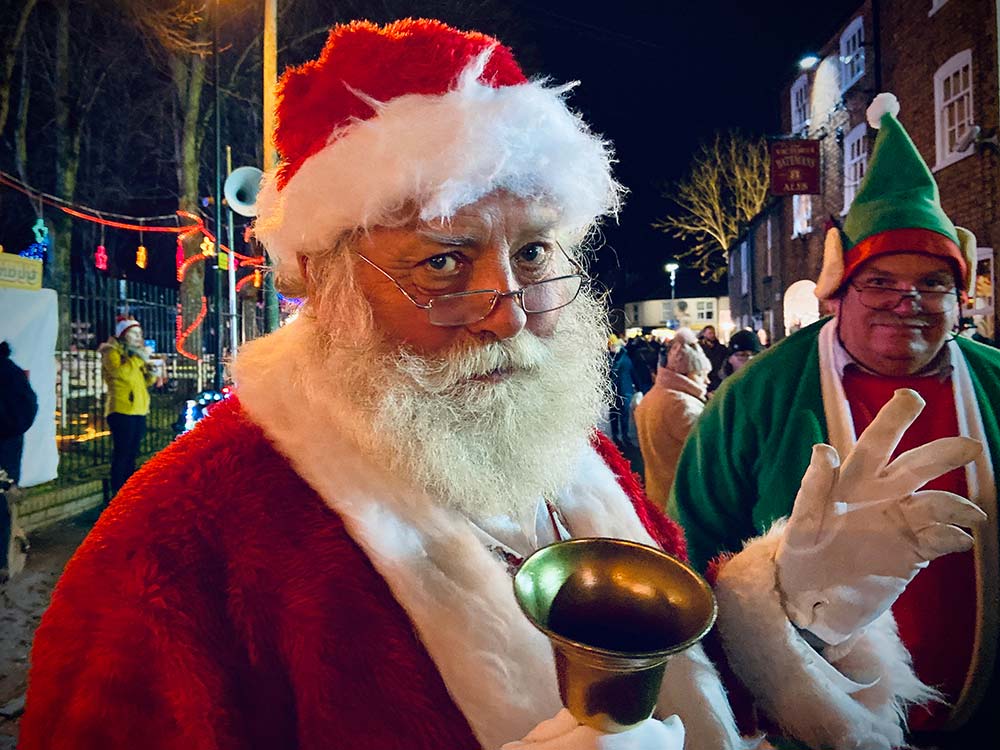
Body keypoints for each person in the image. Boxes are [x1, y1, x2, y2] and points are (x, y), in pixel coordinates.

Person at [19, 29, 979, 750]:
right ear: (324, 275)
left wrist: (797, 599)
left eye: (531, 254)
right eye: (442, 263)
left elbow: (692, 679)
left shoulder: (570, 453)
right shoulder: (181, 547)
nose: (510, 311)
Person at [670, 93, 998, 747]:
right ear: (839, 284)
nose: (906, 302)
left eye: (932, 282)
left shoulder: (994, 380)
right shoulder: (755, 398)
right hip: (812, 731)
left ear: (957, 296)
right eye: (880, 280)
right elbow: (688, 556)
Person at [634, 328, 710, 510]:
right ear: (686, 374)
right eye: (701, 374)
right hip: (684, 504)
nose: (707, 381)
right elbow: (711, 455)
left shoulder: (652, 397)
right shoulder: (681, 405)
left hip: (659, 496)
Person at [99, 316, 156, 495]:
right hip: (122, 410)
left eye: (140, 333)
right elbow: (120, 374)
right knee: (122, 454)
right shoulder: (111, 352)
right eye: (134, 333)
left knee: (132, 453)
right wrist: (140, 359)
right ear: (123, 334)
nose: (139, 337)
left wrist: (151, 372)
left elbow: (141, 381)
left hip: (139, 409)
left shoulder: (133, 354)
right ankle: (118, 491)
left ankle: (129, 490)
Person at [0, 340, 37, 580]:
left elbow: (25, 409)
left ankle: (3, 562)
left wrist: (5, 428)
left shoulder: (7, 371)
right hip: (7, 447)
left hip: (5, 449)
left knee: (2, 504)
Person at [607, 335, 637, 449]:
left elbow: (632, 372)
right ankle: (616, 436)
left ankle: (624, 436)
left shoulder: (623, 357)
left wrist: (637, 387)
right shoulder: (610, 357)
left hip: (625, 390)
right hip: (614, 390)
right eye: (610, 345)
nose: (611, 347)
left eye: (613, 345)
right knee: (614, 413)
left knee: (624, 414)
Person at [698, 325, 727, 392]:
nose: (712, 335)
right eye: (710, 333)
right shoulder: (699, 348)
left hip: (717, 377)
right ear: (704, 334)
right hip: (704, 377)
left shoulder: (720, 348)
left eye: (713, 333)